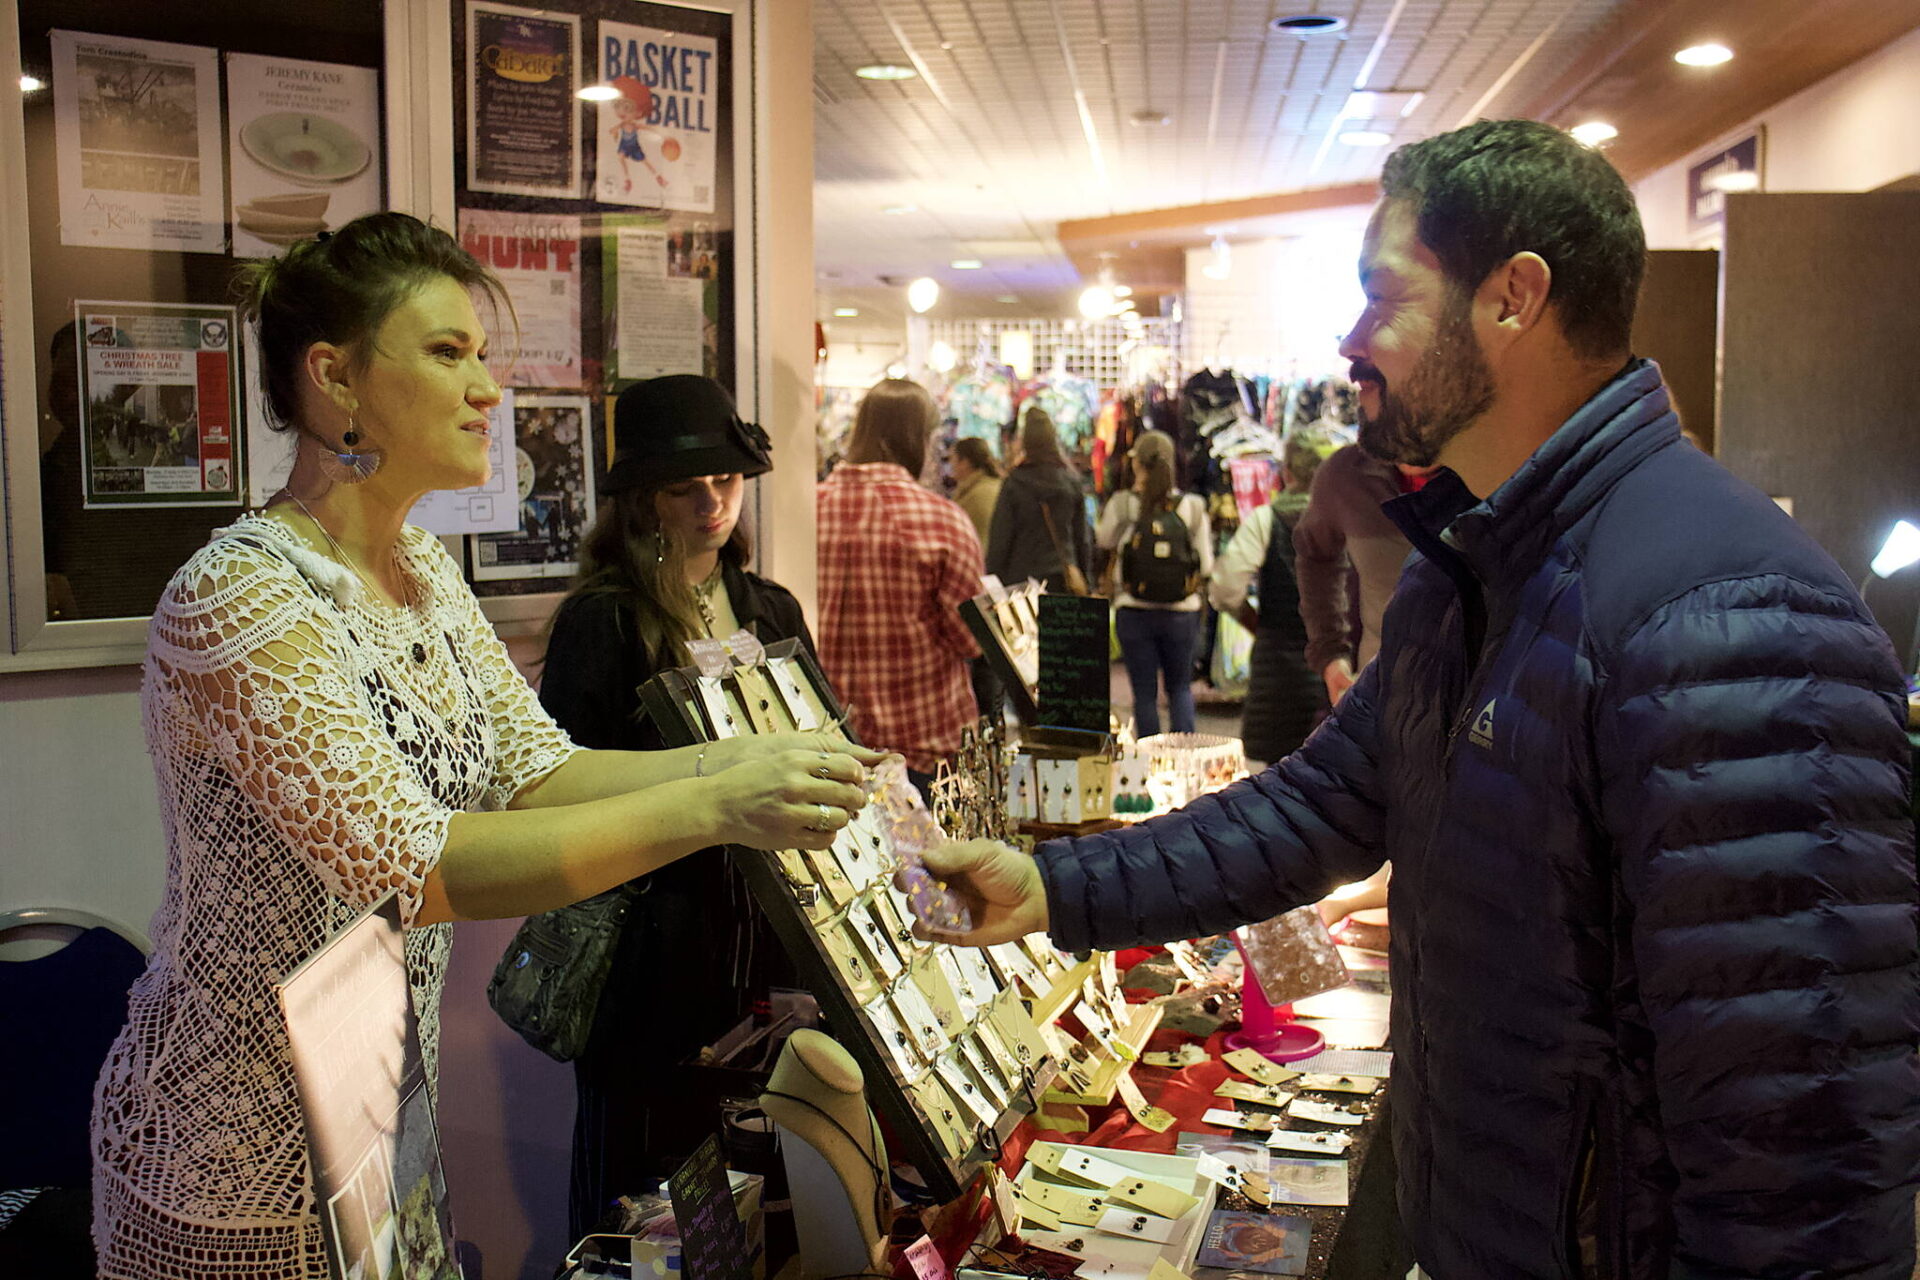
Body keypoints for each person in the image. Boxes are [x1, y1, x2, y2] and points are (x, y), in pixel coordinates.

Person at [920, 121, 1918, 1277]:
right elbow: (1309, 806)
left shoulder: (1728, 613)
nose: (1350, 340)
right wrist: (1050, 884)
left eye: (1380, 294)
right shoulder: (1479, 574)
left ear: (1514, 298)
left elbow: (1803, 1149)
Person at [90, 213, 886, 1280]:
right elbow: (416, 867)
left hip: (380, 1127)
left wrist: (735, 760)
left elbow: (538, 771)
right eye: (447, 352)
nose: (488, 389)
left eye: (483, 354)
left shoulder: (423, 571)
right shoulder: (241, 594)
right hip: (231, 1154)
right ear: (336, 380)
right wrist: (719, 807)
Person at [532, 374, 816, 1240]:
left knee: (764, 1184)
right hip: (649, 953)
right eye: (685, 487)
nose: (712, 501)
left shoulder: (770, 609)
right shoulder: (605, 623)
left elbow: (820, 747)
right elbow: (558, 790)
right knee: (648, 1194)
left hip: (767, 944)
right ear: (643, 498)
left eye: (726, 481)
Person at [816, 378, 984, 788]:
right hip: (922, 745)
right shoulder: (941, 520)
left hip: (829, 746)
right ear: (919, 439)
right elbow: (972, 639)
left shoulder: (808, 508)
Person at [1207, 429, 1336, 768]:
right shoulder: (1344, 521)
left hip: (1278, 668)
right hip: (1335, 666)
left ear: (1287, 472)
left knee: (1279, 779)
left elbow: (1224, 587)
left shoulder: (1267, 519)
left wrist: (1251, 620)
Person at [1293, 439, 1436, 705]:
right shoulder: (1348, 472)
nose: (1366, 398)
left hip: (1485, 702)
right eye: (1361, 393)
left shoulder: (1494, 465)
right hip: (1384, 694)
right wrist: (1330, 652)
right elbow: (1314, 554)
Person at [1096, 429, 1213, 736]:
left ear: (1137, 464)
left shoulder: (1124, 504)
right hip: (1182, 612)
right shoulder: (1193, 506)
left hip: (1134, 611)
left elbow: (1103, 538)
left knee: (1144, 696)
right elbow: (1207, 563)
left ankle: (1149, 769)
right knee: (1180, 689)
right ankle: (1186, 765)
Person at [985, 406, 1093, 595]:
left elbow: (1000, 539)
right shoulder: (1071, 482)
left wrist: (994, 584)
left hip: (1021, 584)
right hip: (1064, 580)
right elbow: (1082, 538)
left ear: (1026, 441)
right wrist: (1086, 580)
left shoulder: (1014, 483)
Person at [948, 436, 1002, 549]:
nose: (950, 464)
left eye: (952, 458)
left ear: (965, 462)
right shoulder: (994, 485)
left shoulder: (975, 497)